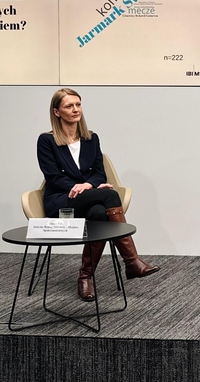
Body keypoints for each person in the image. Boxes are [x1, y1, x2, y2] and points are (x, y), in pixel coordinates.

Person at [37, 88, 159, 301]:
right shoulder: (46, 141)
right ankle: (131, 261)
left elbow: (99, 173)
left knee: (100, 214)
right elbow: (53, 177)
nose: (75, 109)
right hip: (61, 201)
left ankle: (85, 277)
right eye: (69, 106)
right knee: (109, 195)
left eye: (78, 104)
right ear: (57, 112)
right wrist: (82, 187)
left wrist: (87, 186)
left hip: (87, 198)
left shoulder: (91, 138)